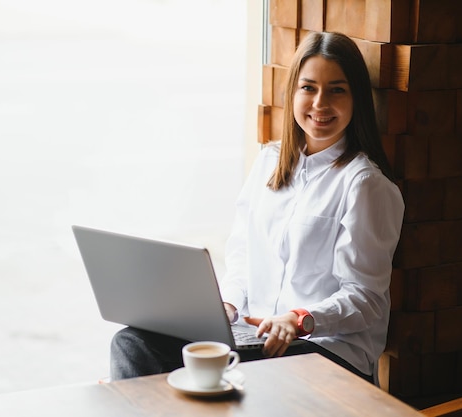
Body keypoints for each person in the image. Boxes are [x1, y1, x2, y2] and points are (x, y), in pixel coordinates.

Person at [109, 31, 404, 384]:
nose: (320, 103)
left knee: (232, 379)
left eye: (337, 89)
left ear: (356, 98)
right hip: (257, 337)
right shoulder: (268, 163)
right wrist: (229, 306)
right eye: (308, 88)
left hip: (327, 348)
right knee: (132, 343)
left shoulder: (364, 185)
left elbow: (365, 298)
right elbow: (242, 255)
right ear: (292, 92)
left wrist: (299, 319)